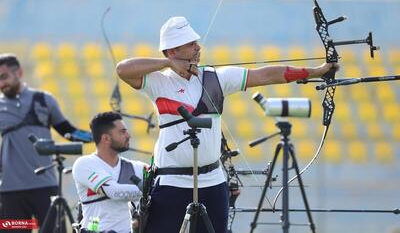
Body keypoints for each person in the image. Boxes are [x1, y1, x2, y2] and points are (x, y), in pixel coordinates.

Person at [116, 16, 338, 233]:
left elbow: (267, 75)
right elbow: (123, 69)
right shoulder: (159, 82)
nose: (197, 47)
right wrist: (167, 63)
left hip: (212, 183)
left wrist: (315, 71)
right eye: (190, 44)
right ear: (172, 50)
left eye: (196, 42)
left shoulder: (217, 78)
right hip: (171, 183)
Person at [0, 53, 92, 232]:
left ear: (19, 72)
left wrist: (96, 136)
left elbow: (68, 131)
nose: (1, 84)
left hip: (46, 187)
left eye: (4, 77)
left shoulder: (44, 99)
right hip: (10, 191)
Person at [72, 111, 146, 233]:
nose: (128, 135)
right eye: (122, 132)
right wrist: (147, 192)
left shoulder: (135, 167)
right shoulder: (84, 164)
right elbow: (114, 192)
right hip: (94, 230)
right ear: (106, 138)